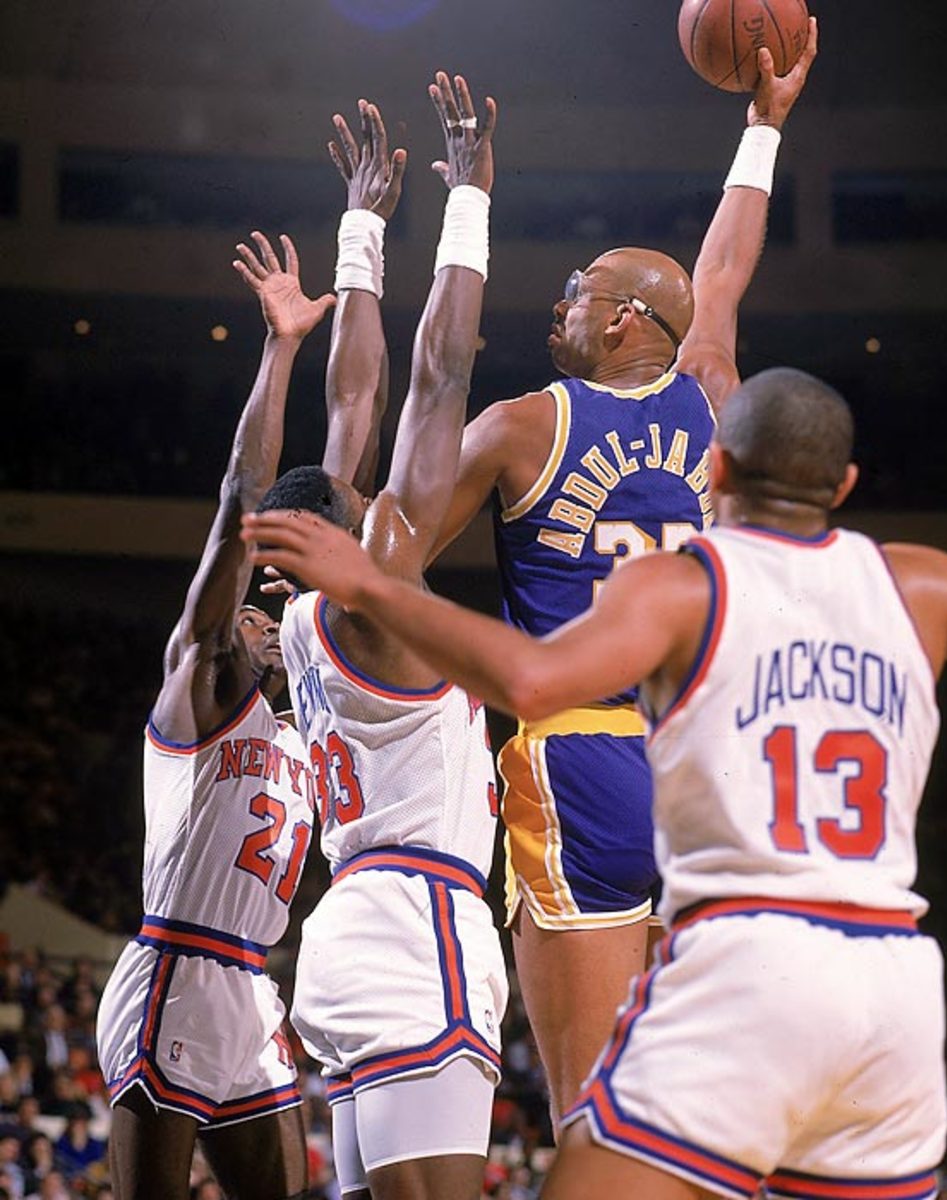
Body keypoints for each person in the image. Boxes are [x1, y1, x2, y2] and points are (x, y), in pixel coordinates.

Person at [242, 364, 947, 1200]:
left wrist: (369, 586)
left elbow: (535, 683)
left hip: (744, 952)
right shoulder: (924, 584)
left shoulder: (685, 584)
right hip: (894, 984)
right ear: (842, 483)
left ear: (715, 468)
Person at [423, 25, 816, 1129]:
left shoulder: (520, 426)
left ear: (625, 320)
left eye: (583, 290)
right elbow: (725, 271)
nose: (567, 302)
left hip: (575, 758)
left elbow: (392, 546)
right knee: (692, 1116)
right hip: (695, 761)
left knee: (593, 1116)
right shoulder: (709, 391)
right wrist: (763, 128)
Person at [262, 75, 507, 1200]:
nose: (388, 506)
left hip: (346, 924)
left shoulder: (308, 608)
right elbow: (437, 374)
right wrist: (467, 202)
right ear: (353, 530)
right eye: (368, 510)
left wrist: (361, 226)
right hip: (420, 929)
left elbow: (349, 406)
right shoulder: (379, 582)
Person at [94, 228, 340, 1200]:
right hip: (174, 974)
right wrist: (281, 352)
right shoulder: (202, 679)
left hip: (248, 985)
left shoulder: (306, 728)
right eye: (265, 594)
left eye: (287, 599)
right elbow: (240, 502)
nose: (273, 610)